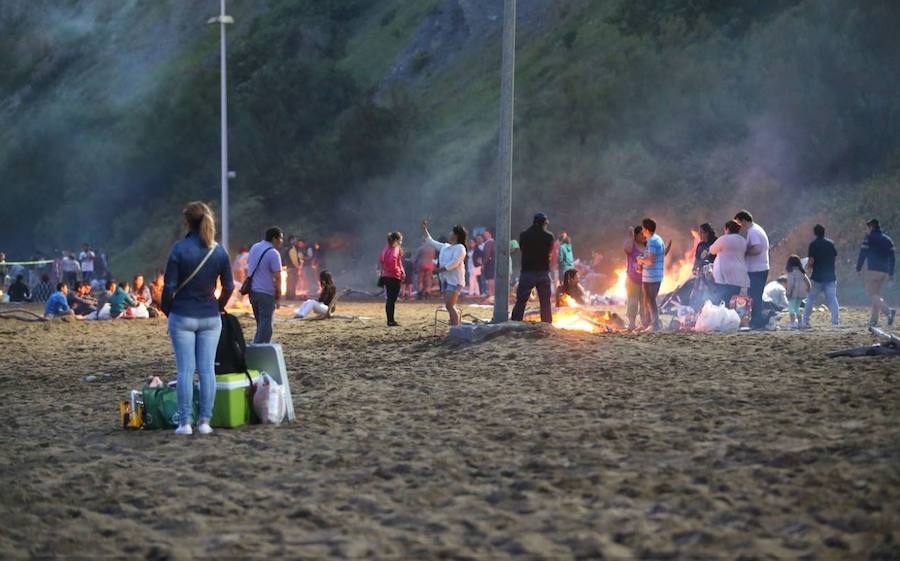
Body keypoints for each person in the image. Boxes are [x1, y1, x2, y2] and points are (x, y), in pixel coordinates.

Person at [161, 201, 233, 436]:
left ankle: (184, 423)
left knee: (185, 371)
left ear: (187, 222)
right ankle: (205, 421)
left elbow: (169, 286)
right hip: (210, 316)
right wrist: (218, 307)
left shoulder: (179, 249)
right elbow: (229, 287)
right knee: (207, 371)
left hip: (182, 315)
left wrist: (168, 310)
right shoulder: (219, 251)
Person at [422, 220, 468, 326]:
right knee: (449, 306)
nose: (449, 234)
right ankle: (453, 324)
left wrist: (439, 270)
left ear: (456, 235)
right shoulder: (445, 246)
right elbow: (430, 241)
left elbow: (454, 263)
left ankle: (456, 327)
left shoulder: (460, 248)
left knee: (450, 306)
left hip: (455, 281)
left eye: (452, 232)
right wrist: (424, 229)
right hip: (445, 280)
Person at [511, 213, 554, 324]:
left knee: (521, 301)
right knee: (545, 302)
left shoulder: (524, 235)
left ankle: (515, 323)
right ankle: (546, 325)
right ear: (544, 223)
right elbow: (550, 251)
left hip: (527, 272)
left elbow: (522, 248)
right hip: (543, 272)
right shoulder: (549, 237)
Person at [247, 227, 285, 343]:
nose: (282, 241)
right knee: (266, 327)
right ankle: (257, 351)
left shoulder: (254, 247)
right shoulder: (273, 254)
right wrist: (278, 295)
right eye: (281, 238)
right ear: (274, 238)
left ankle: (256, 348)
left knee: (261, 324)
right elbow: (278, 277)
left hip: (252, 292)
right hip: (266, 293)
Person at [856, 218, 895, 327]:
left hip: (873, 270)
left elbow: (863, 253)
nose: (866, 230)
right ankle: (873, 320)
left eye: (867, 228)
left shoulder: (869, 238)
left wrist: (858, 268)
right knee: (877, 296)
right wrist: (891, 273)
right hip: (885, 272)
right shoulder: (888, 240)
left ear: (871, 227)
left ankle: (889, 311)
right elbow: (893, 258)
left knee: (871, 294)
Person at [734, 210, 770, 329]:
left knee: (754, 295)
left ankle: (757, 321)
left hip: (757, 269)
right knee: (755, 295)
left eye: (739, 222)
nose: (739, 225)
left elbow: (757, 249)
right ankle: (757, 320)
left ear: (743, 220)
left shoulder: (753, 231)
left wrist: (744, 251)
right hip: (760, 267)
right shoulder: (756, 229)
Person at [802, 224, 839, 328]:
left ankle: (805, 321)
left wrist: (808, 269)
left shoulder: (813, 244)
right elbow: (834, 257)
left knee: (810, 298)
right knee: (832, 299)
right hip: (830, 275)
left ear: (815, 233)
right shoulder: (831, 244)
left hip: (817, 276)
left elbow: (811, 261)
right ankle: (835, 322)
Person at [708, 220, 750, 306]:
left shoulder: (724, 239)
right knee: (733, 300)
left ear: (727, 229)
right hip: (738, 275)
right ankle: (731, 316)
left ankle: (720, 316)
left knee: (721, 298)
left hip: (723, 275)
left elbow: (712, 250)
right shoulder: (743, 241)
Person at [636, 218, 665, 332]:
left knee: (651, 300)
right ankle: (646, 324)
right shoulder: (656, 239)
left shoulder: (652, 241)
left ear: (647, 229)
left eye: (643, 228)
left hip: (652, 277)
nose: (642, 231)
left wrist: (640, 260)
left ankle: (655, 325)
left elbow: (650, 260)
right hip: (652, 275)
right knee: (647, 301)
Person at [379, 232, 406, 326]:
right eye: (400, 240)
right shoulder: (395, 249)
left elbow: (382, 260)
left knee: (389, 299)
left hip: (386, 276)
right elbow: (393, 261)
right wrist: (398, 272)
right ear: (396, 240)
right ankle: (391, 321)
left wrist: (401, 270)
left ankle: (390, 320)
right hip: (394, 277)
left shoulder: (386, 248)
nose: (401, 242)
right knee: (392, 300)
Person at [623, 226, 645, 330]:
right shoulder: (632, 245)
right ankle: (632, 323)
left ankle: (644, 323)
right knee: (633, 301)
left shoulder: (648, 246)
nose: (643, 235)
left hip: (646, 279)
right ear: (636, 235)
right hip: (632, 279)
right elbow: (626, 249)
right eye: (641, 234)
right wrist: (631, 236)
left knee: (645, 302)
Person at [785, 255, 811, 329]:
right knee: (797, 308)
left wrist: (788, 293)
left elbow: (791, 284)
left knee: (791, 308)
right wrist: (808, 289)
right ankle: (800, 323)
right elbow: (808, 282)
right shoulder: (802, 272)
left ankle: (793, 323)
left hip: (793, 293)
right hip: (801, 294)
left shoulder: (791, 273)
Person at [481, 228, 496, 301]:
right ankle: (492, 293)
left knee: (490, 278)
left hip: (489, 263)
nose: (484, 235)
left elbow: (487, 254)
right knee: (491, 278)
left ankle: (491, 293)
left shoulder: (489, 242)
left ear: (490, 234)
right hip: (492, 263)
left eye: (486, 234)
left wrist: (483, 264)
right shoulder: (493, 242)